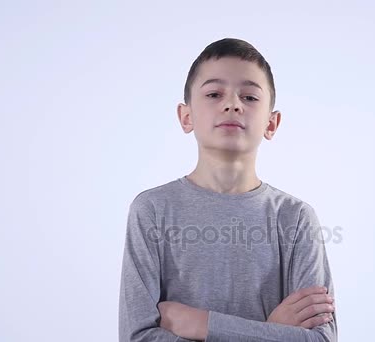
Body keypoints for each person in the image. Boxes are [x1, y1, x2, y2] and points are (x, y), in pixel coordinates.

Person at [118, 37, 337, 341]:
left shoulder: (296, 218)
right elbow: (138, 337)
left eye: (249, 97)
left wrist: (202, 324)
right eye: (213, 93)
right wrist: (270, 332)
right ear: (186, 116)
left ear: (271, 124)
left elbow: (321, 339)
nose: (232, 103)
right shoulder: (152, 210)